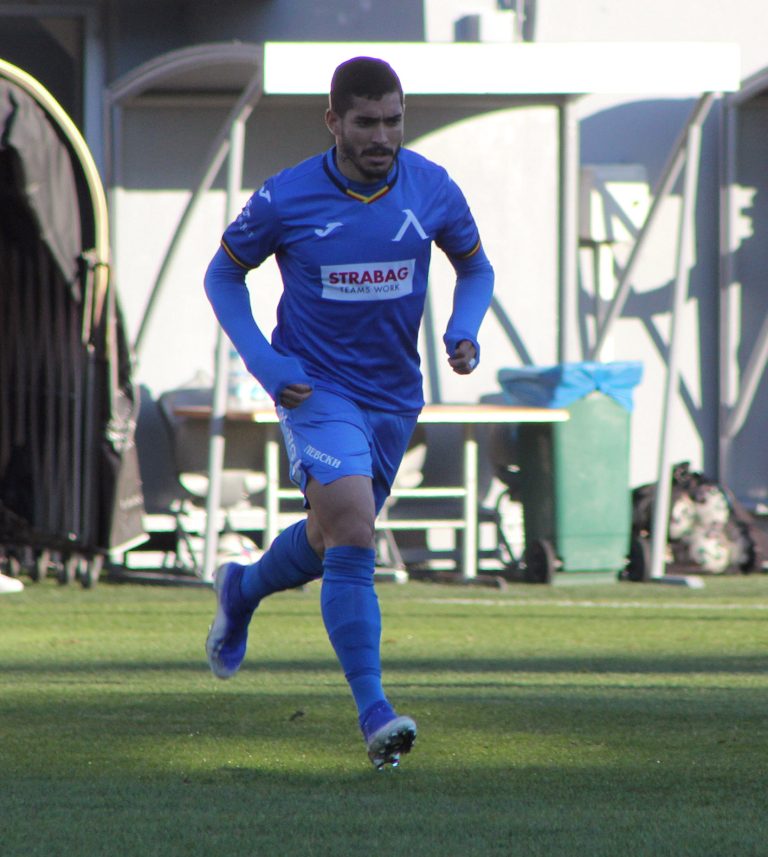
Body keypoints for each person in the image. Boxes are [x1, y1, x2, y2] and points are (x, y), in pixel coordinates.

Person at [203, 56, 494, 770]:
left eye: (393, 120)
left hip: (394, 396)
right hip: (316, 389)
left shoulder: (432, 186)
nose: (382, 136)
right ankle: (376, 714)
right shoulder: (286, 197)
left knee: (334, 534)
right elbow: (223, 274)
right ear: (333, 121)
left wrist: (464, 327)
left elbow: (475, 266)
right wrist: (266, 363)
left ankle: (242, 588)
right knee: (356, 530)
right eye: (366, 122)